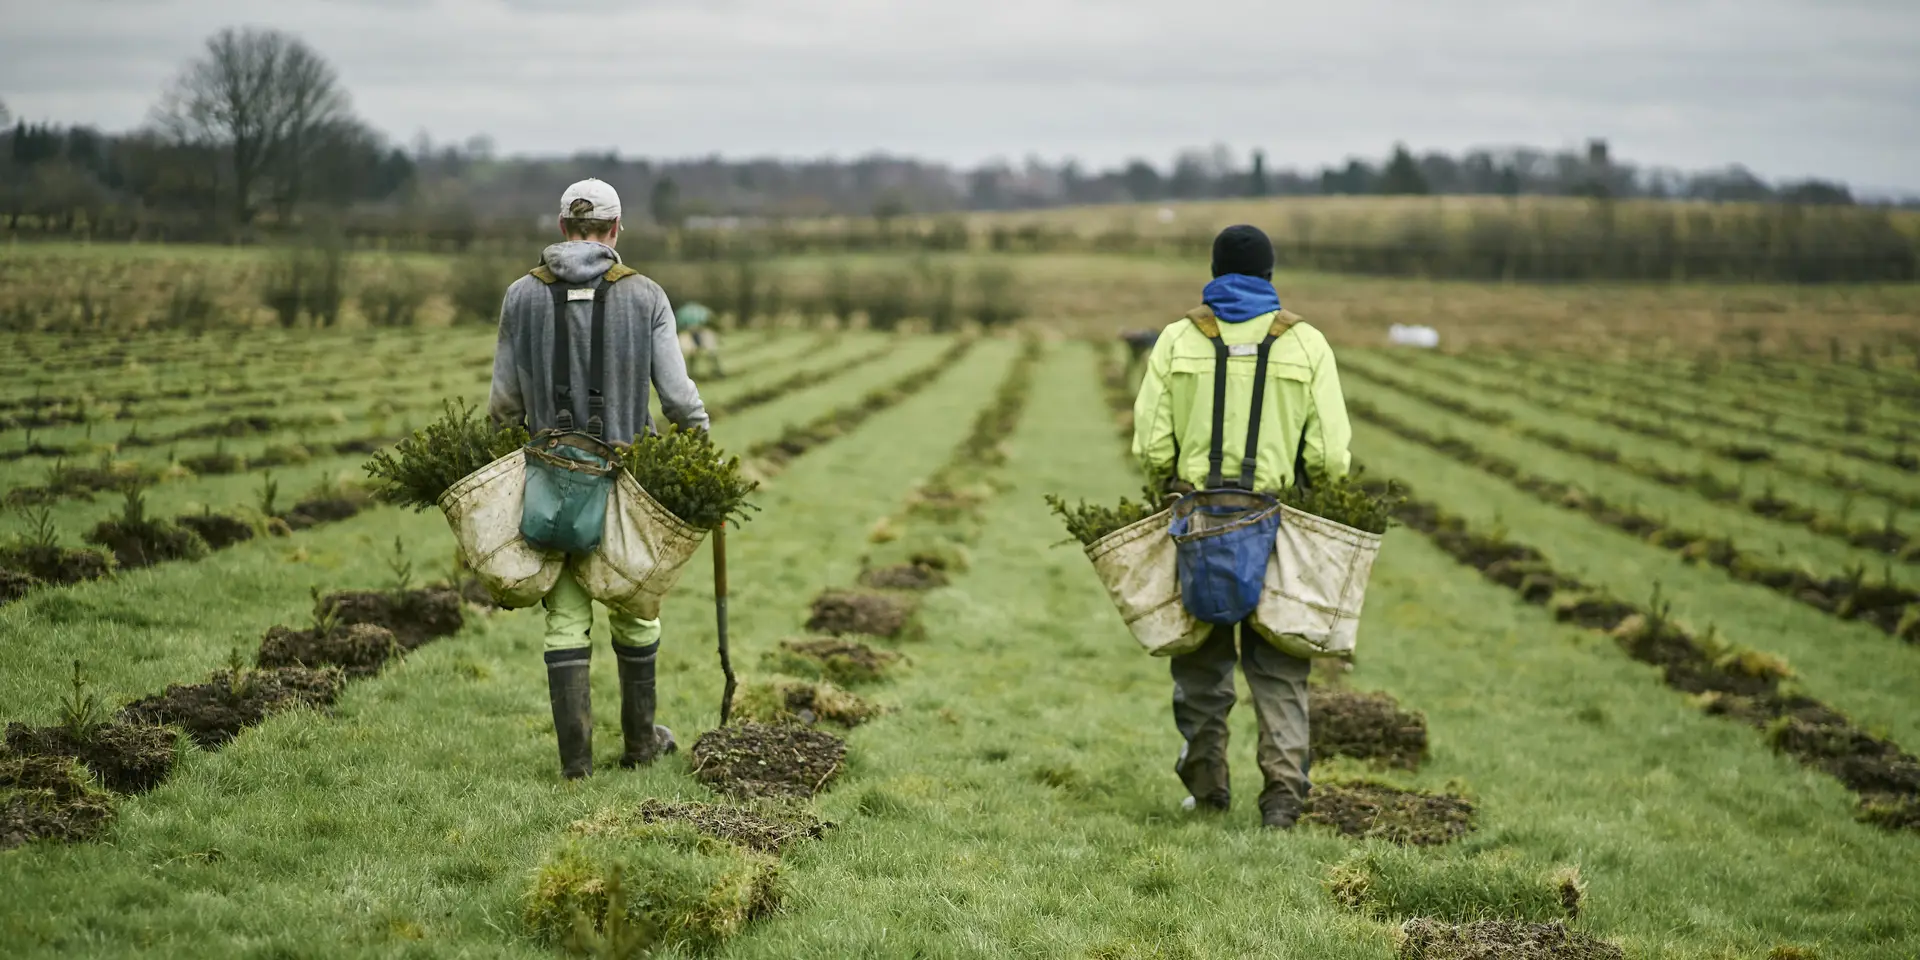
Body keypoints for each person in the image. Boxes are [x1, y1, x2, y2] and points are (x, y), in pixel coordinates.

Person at [1129, 224, 1353, 829]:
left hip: (1197, 520)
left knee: (1201, 662)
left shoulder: (1178, 338)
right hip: (1276, 521)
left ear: (1213, 271)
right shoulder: (1307, 343)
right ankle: (1282, 797)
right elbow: (1331, 458)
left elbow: (1150, 446)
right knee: (1279, 663)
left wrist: (1170, 480)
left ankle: (1207, 790)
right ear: (1270, 276)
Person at [488, 178, 711, 780]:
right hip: (628, 480)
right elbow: (678, 397)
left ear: (562, 228)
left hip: (548, 479)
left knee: (564, 617)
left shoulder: (520, 296)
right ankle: (641, 747)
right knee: (637, 611)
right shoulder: (647, 297)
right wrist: (700, 448)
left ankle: (576, 765)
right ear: (616, 230)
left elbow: (503, 404)